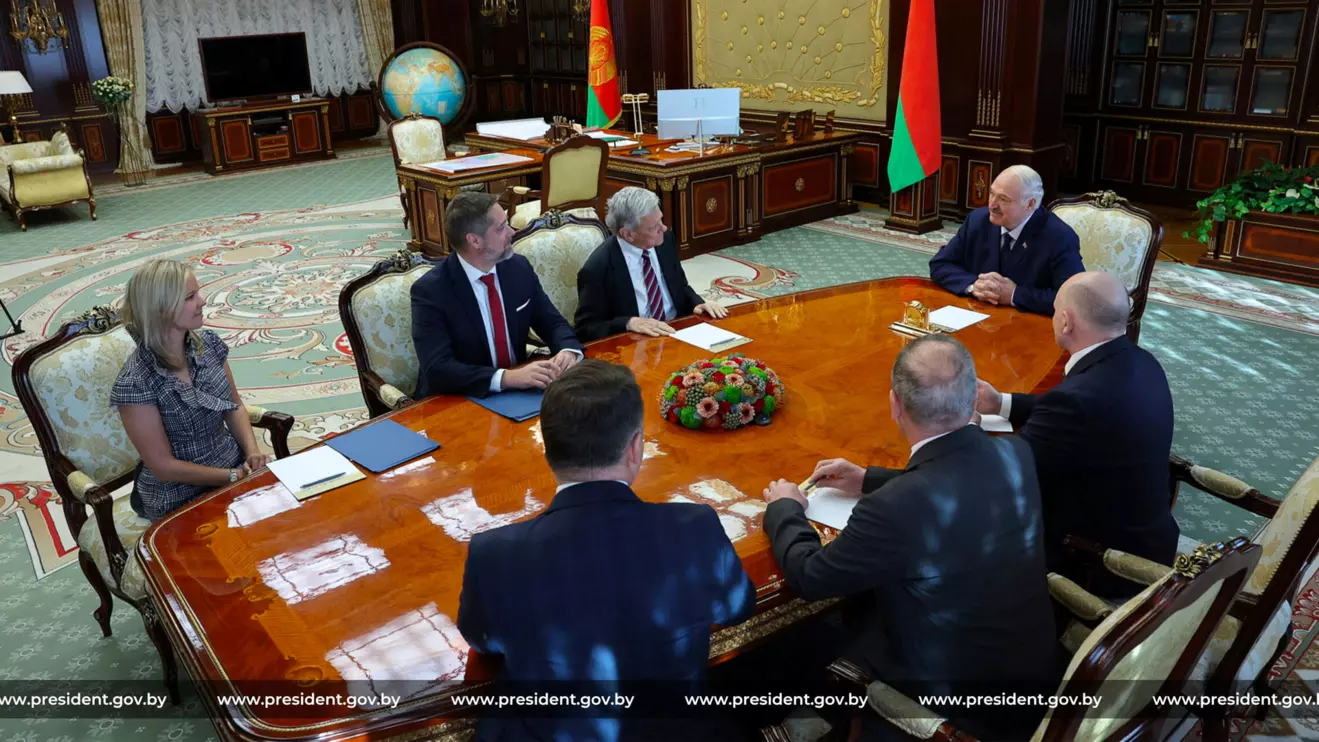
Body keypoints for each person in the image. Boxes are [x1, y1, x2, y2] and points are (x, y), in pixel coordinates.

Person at [761, 335, 1056, 740]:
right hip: (1032, 665)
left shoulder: (893, 507)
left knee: (824, 630)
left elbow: (811, 577)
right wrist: (869, 479)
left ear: (895, 405)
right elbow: (955, 482)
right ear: (973, 396)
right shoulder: (1015, 451)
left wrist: (784, 509)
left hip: (957, 698)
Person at [458, 359, 756, 740]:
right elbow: (738, 608)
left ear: (546, 450)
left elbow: (485, 642)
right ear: (635, 448)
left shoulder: (493, 554)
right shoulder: (695, 527)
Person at [975, 271, 1178, 597]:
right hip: (1150, 537)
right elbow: (1077, 412)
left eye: (1056, 310)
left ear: (1066, 322)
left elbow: (1006, 471)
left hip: (1099, 562)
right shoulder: (1142, 361)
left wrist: (967, 426)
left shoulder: (1075, 401)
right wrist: (1001, 403)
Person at [112, 259, 270, 521]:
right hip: (178, 495)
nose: (203, 301)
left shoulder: (209, 345)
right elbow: (163, 467)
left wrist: (252, 453)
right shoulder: (136, 382)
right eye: (190, 297)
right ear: (160, 309)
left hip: (232, 466)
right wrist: (232, 476)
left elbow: (234, 406)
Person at [411, 191, 583, 399]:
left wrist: (567, 350)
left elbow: (553, 323)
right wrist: (506, 378)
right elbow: (438, 368)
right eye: (501, 228)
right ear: (475, 240)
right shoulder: (431, 291)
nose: (512, 232)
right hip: (458, 399)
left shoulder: (518, 268)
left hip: (519, 393)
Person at [574, 186, 727, 342]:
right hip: (636, 341)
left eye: (661, 220)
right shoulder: (597, 269)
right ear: (628, 234)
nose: (664, 228)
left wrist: (697, 303)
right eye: (654, 227)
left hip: (677, 329)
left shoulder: (665, 240)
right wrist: (628, 323)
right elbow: (586, 328)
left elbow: (680, 286)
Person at [928, 164, 1084, 315]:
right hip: (977, 316)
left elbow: (1072, 299)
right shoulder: (977, 220)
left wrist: (1015, 295)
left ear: (1030, 204)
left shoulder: (1059, 237)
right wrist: (974, 285)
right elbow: (940, 264)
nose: (992, 205)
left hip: (1028, 323)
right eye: (992, 194)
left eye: (1003, 199)